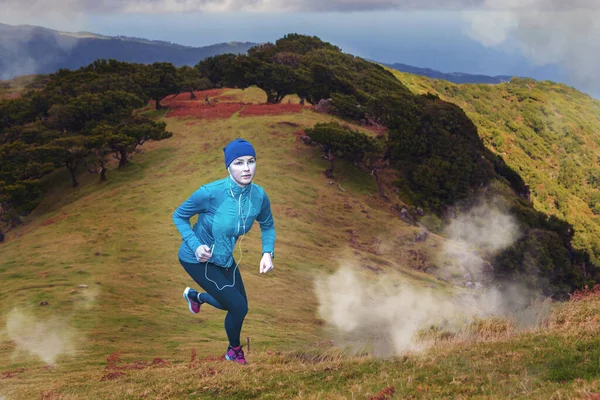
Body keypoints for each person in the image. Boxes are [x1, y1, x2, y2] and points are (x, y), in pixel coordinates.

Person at [172, 138, 276, 365]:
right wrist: (195, 246)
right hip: (197, 259)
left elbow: (267, 224)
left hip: (225, 258)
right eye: (239, 163)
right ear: (228, 166)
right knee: (238, 307)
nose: (246, 168)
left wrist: (267, 252)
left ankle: (195, 297)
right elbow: (178, 215)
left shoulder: (258, 196)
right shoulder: (209, 193)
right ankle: (234, 351)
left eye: (251, 161)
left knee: (239, 306)